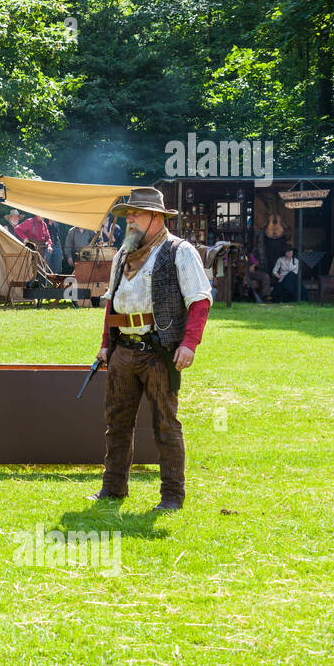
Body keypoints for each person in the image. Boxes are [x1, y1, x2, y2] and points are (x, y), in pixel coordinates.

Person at [89, 187, 212, 512]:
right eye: (128, 215)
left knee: (165, 425)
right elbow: (111, 304)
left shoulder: (179, 251)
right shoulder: (122, 254)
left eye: (136, 214)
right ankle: (113, 489)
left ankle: (172, 497)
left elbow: (200, 300)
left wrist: (189, 344)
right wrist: (105, 345)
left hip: (159, 351)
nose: (130, 219)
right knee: (116, 423)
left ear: (157, 217)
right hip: (123, 352)